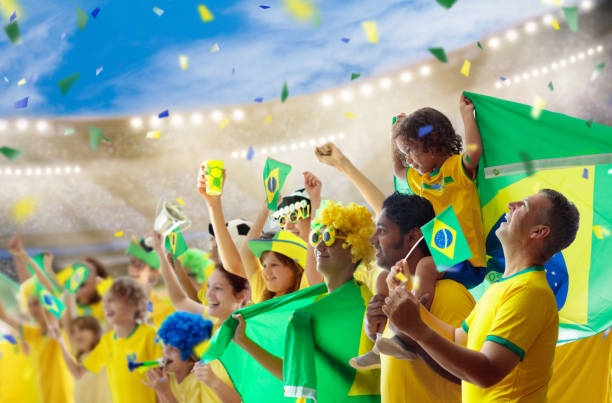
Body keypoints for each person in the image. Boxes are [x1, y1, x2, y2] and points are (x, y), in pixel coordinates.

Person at [383, 189, 579, 402]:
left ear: (539, 232)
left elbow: (488, 372)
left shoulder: (530, 292)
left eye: (524, 205)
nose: (511, 204)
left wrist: (417, 329)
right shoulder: (502, 288)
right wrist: (404, 300)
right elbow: (458, 339)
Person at [232, 201, 381, 401]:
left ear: (355, 248)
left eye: (329, 238)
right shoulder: (312, 306)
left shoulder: (369, 306)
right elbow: (293, 374)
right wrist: (244, 341)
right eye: (316, 236)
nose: (319, 245)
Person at [391, 95, 487, 289]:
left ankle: (416, 317)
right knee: (397, 270)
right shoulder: (423, 181)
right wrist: (392, 136)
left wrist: (466, 114)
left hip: (468, 263)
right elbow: (398, 171)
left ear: (433, 143)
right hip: (444, 257)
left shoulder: (455, 169)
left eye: (409, 150)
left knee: (424, 266)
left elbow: (474, 153)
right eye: (404, 154)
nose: (407, 160)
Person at [198, 168, 321, 301]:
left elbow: (313, 255)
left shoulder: (326, 268)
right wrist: (214, 205)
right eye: (283, 220)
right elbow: (234, 263)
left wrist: (315, 203)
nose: (288, 226)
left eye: (295, 216)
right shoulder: (268, 282)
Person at [151, 231, 248, 401]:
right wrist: (160, 253)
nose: (208, 294)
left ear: (241, 295)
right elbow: (179, 300)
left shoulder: (245, 336)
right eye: (208, 286)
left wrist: (214, 382)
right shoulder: (214, 321)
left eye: (218, 288)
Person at [52, 277, 162, 403]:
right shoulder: (107, 341)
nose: (105, 305)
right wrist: (60, 340)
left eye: (112, 300)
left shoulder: (149, 334)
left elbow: (162, 379)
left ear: (133, 303)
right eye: (104, 301)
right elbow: (78, 372)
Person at [143, 311, 241, 403]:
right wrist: (160, 390)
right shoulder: (169, 379)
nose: (165, 351)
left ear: (191, 358)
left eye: (173, 349)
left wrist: (165, 392)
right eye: (165, 345)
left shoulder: (198, 383)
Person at [125, 237, 175, 327]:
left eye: (139, 265)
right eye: (132, 262)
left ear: (154, 271)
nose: (132, 269)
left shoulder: (164, 301)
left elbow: (148, 313)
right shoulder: (121, 294)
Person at [69, 316, 112, 403]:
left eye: (82, 329)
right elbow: (67, 317)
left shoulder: (102, 352)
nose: (77, 335)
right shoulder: (77, 357)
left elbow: (110, 328)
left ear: (95, 331)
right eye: (74, 332)